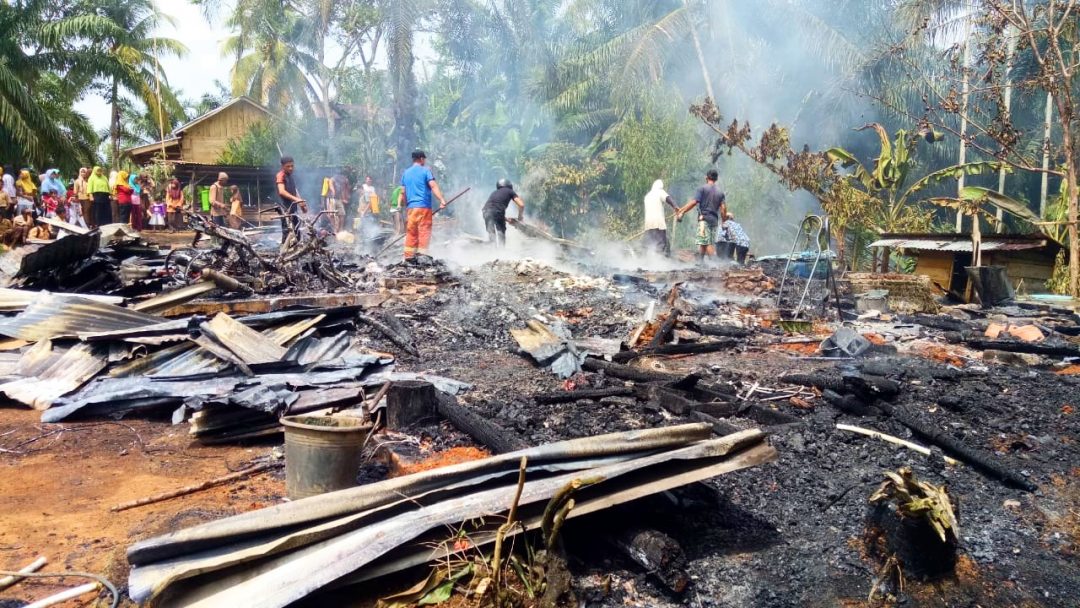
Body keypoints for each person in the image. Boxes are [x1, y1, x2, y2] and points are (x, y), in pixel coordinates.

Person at [676, 169, 727, 262]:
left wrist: (682, 210)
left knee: (706, 243)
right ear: (716, 179)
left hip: (704, 220)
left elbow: (694, 202)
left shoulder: (702, 189)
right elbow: (723, 209)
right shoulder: (720, 192)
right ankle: (700, 264)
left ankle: (717, 266)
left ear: (706, 177)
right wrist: (723, 221)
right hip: (714, 221)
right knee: (704, 242)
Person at [482, 178, 524, 247]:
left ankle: (492, 253)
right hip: (496, 211)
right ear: (509, 185)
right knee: (501, 231)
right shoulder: (510, 191)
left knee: (492, 234)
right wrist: (520, 218)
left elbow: (492, 210)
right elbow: (521, 205)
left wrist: (506, 219)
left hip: (485, 211)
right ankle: (502, 253)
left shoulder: (494, 192)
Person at [642, 179, 679, 256]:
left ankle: (648, 260)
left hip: (648, 223)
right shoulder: (659, 191)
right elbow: (669, 199)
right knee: (660, 242)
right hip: (658, 222)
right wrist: (676, 207)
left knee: (650, 242)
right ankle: (659, 261)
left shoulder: (647, 196)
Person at [275, 156, 308, 244]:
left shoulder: (291, 176)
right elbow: (282, 191)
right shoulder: (280, 175)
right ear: (282, 166)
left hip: (292, 206)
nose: (291, 168)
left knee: (296, 228)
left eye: (292, 166)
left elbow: (295, 191)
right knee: (287, 230)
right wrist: (297, 199)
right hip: (284, 207)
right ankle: (284, 251)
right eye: (288, 166)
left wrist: (301, 203)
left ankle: (297, 248)